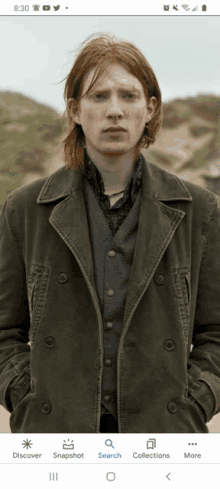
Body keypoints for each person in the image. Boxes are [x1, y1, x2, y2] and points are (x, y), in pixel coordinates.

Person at [0, 33, 220, 435]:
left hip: (162, 438)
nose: (114, 111)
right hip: (57, 438)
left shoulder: (200, 211)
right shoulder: (24, 210)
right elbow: (4, 331)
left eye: (129, 96)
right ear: (75, 110)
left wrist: (194, 402)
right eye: (99, 96)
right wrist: (27, 396)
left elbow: (216, 333)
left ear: (150, 108)